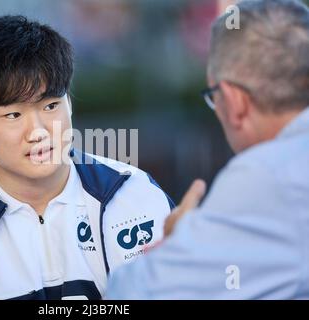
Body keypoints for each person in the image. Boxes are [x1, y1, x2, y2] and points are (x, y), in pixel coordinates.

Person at [0, 15, 173, 300]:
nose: (39, 131)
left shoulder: (136, 197)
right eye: (13, 115)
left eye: (51, 105)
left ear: (69, 101)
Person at [106, 0, 309, 299]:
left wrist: (177, 244)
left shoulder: (264, 177)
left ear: (234, 101)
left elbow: (133, 294)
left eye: (214, 96)